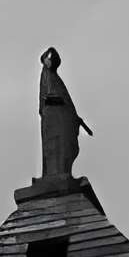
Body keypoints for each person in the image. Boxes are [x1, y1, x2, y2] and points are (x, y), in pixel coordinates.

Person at [39, 48, 92, 183]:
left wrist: (74, 116)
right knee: (58, 145)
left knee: (67, 145)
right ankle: (55, 175)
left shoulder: (56, 77)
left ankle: (64, 173)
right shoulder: (46, 74)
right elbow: (48, 98)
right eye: (50, 60)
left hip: (62, 116)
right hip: (53, 118)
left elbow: (65, 99)